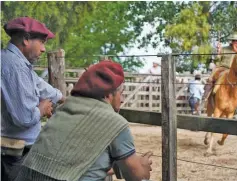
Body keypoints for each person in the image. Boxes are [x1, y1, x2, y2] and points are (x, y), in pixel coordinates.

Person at [15, 60, 153, 181]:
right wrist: (143, 167)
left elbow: (80, 163)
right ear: (107, 94)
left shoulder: (65, 109)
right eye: (121, 94)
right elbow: (137, 176)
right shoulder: (115, 122)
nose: (122, 100)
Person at [1, 17, 65, 180]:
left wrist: (61, 98)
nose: (43, 49)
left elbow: (40, 86)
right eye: (42, 42)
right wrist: (42, 108)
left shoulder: (16, 63)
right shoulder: (15, 68)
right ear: (26, 39)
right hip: (13, 154)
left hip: (15, 150)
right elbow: (25, 118)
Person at [202, 34, 237, 101]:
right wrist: (218, 52)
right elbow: (217, 59)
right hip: (223, 68)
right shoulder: (224, 49)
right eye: (235, 41)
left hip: (236, 70)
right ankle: (206, 95)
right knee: (211, 77)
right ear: (232, 41)